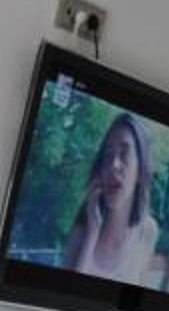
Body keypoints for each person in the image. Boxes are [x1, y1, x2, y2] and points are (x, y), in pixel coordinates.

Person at [61, 112, 163, 286]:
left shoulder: (148, 232)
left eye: (124, 154)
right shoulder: (82, 228)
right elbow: (65, 294)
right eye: (108, 155)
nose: (113, 165)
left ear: (140, 171)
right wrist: (92, 232)